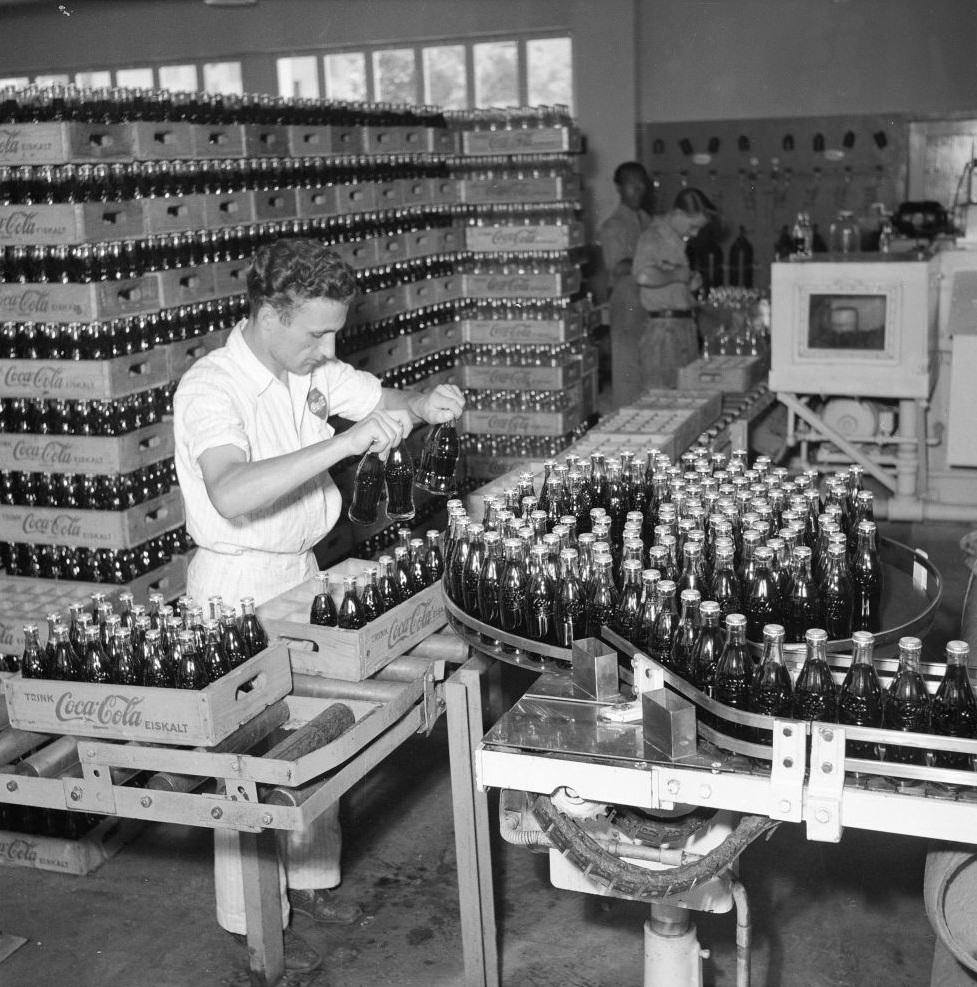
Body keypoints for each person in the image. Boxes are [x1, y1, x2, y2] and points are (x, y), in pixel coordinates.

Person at [172, 237, 465, 974]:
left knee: (318, 742)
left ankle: (307, 888)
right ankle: (253, 927)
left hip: (302, 575)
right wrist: (345, 447)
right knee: (249, 766)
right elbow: (232, 490)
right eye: (316, 332)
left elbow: (381, 400)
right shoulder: (212, 387)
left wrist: (421, 402)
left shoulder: (311, 370)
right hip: (237, 591)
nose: (329, 346)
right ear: (270, 314)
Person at [632, 187, 717, 389]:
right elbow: (643, 275)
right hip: (664, 331)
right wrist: (677, 275)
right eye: (693, 226)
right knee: (662, 401)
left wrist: (688, 284)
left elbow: (667, 279)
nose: (695, 233)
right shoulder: (653, 237)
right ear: (678, 214)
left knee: (687, 397)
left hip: (681, 326)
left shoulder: (676, 241)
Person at [599, 162, 654, 408]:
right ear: (619, 188)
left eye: (642, 184)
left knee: (648, 368)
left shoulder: (647, 220)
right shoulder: (614, 225)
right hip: (627, 302)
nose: (639, 189)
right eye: (632, 184)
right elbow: (617, 266)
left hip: (648, 301)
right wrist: (652, 263)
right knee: (627, 369)